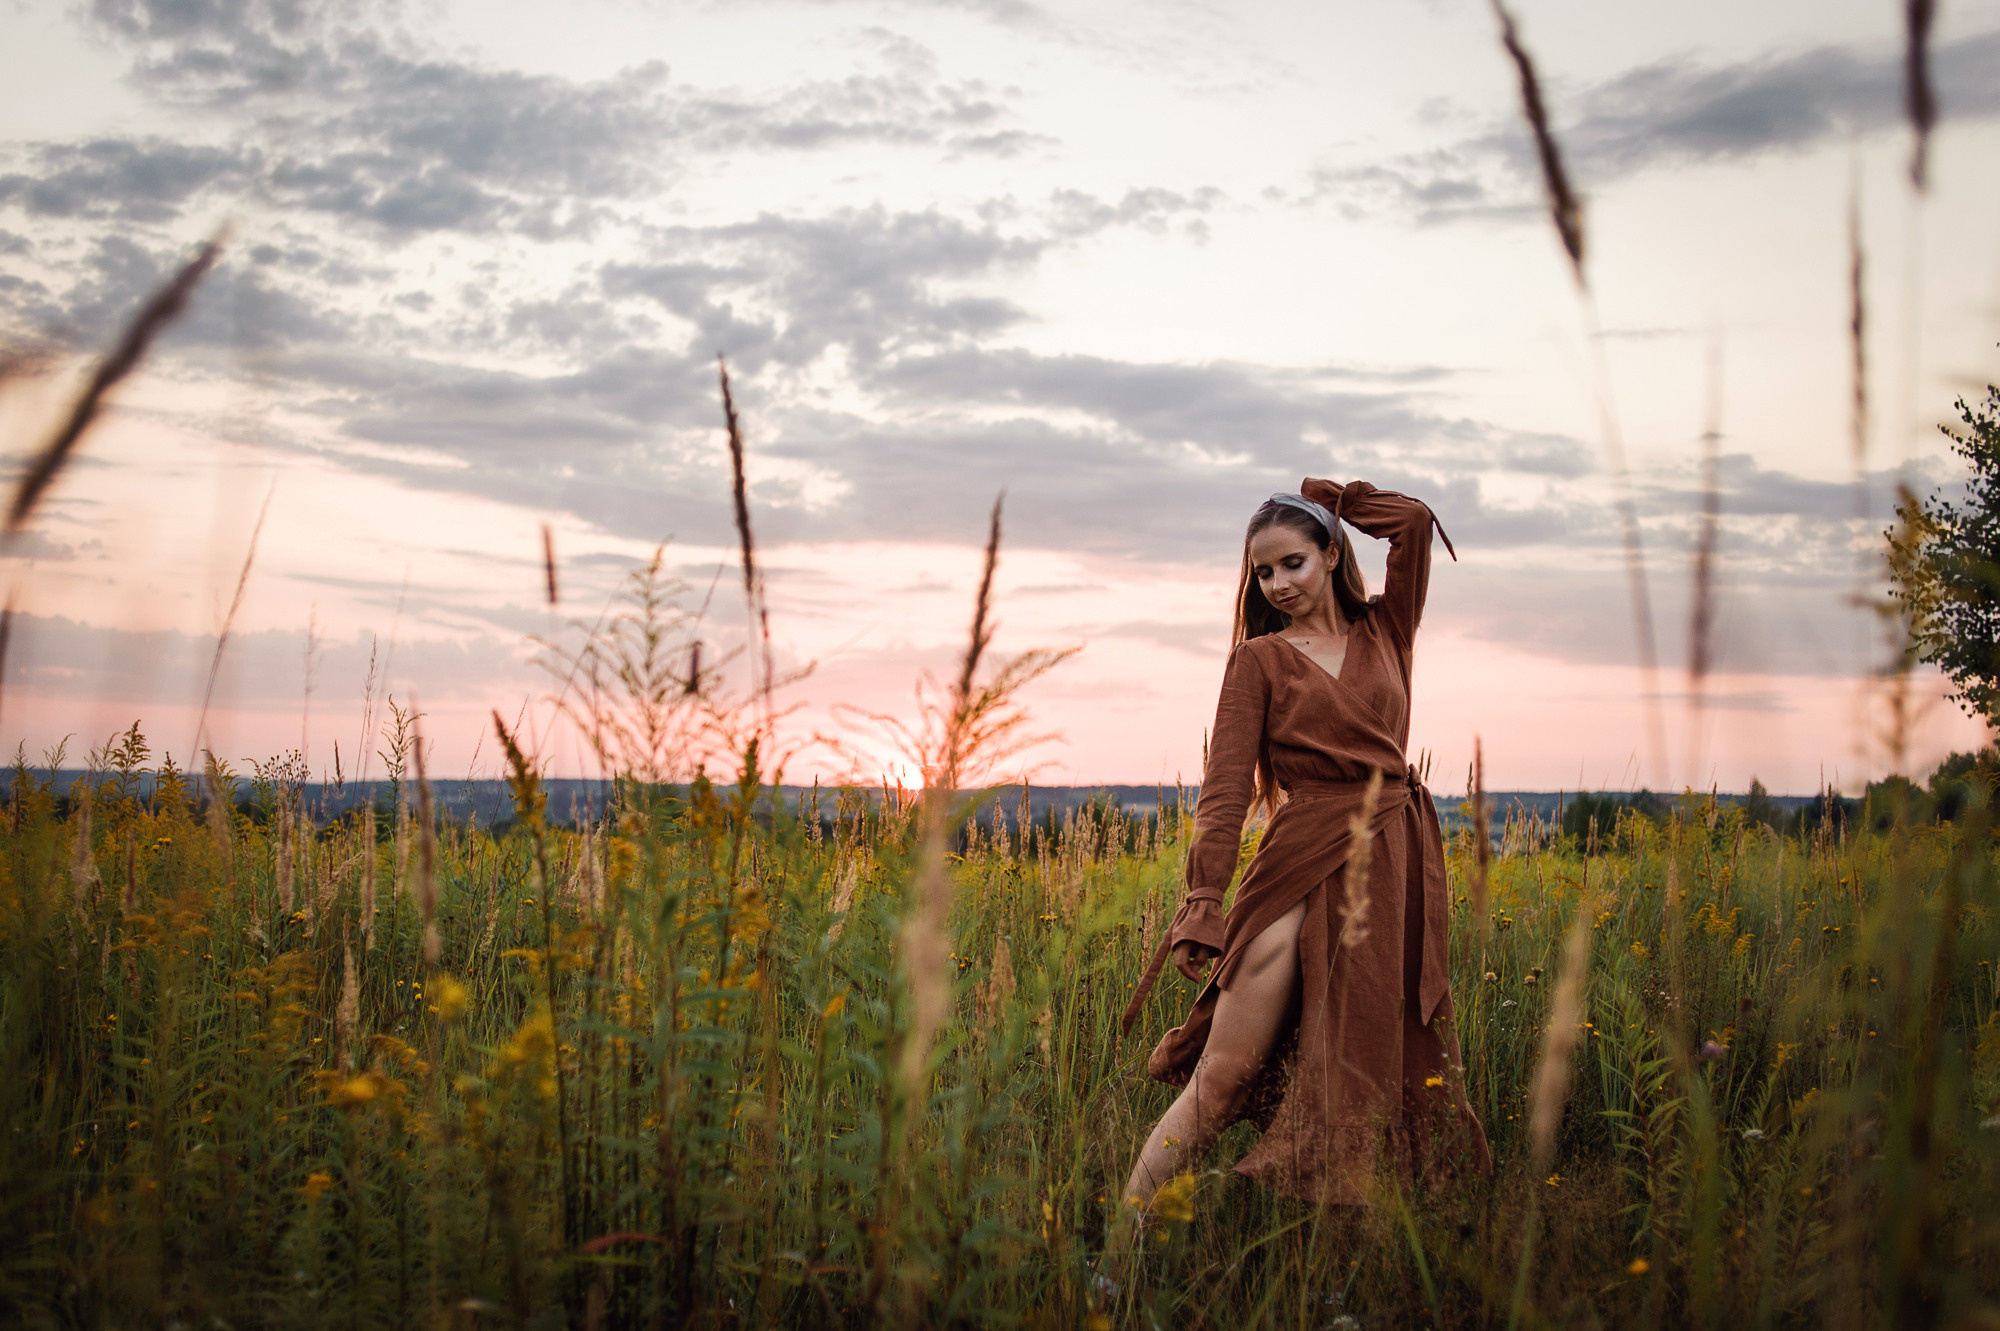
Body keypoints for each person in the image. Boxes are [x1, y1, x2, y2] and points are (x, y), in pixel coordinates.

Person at [1118, 479, 1490, 1212]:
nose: (1278, 583)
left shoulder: (1388, 631)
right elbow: (1225, 789)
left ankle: (1352, 1235)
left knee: (1377, 1062)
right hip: (1298, 859)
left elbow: (1414, 523)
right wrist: (1203, 900)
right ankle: (1122, 1240)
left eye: (1293, 562)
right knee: (1224, 1075)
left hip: (1389, 857)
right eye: (1263, 572)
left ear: (1331, 555)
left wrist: (1336, 499)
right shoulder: (1258, 660)